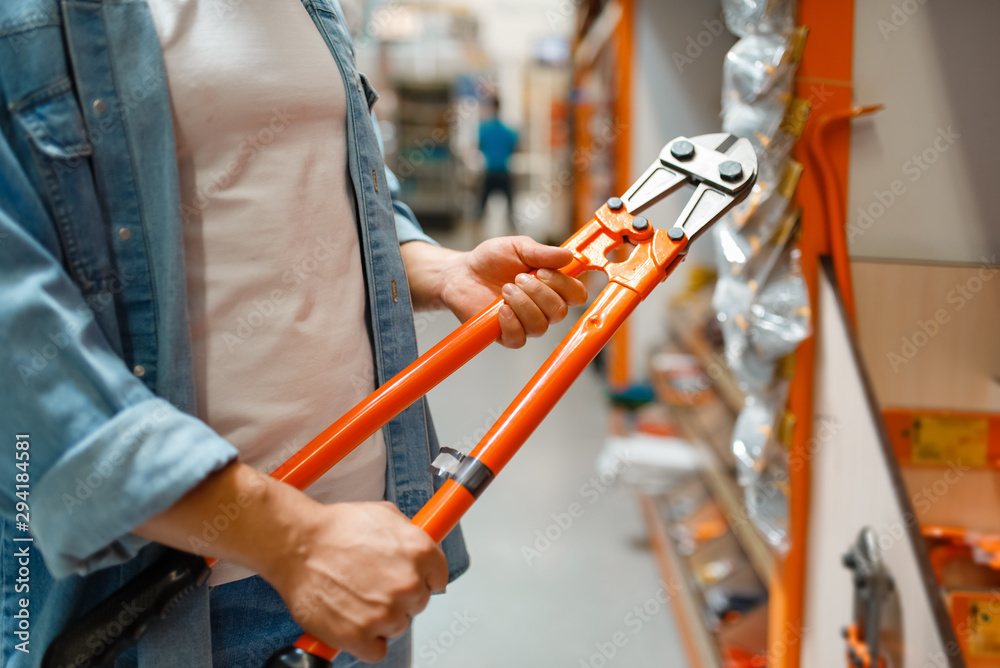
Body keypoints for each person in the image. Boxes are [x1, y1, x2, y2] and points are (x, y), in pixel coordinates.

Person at [0, 1, 587, 667]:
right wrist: (292, 539)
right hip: (171, 597)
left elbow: (343, 182)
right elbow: (19, 351)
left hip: (371, 546)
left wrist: (438, 267)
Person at [477, 97, 519, 229]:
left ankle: (475, 234)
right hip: (504, 173)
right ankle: (514, 234)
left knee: (481, 209)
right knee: (510, 210)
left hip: (489, 172)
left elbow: (480, 146)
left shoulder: (484, 130)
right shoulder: (509, 131)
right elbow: (513, 148)